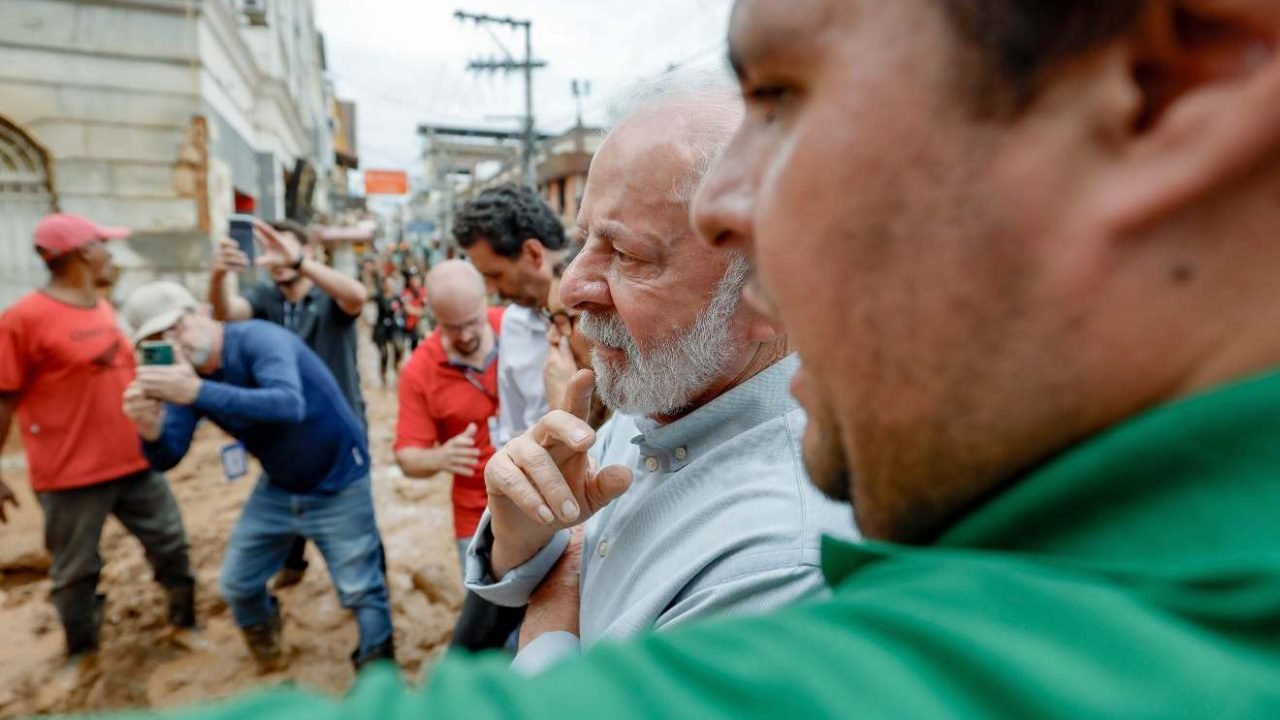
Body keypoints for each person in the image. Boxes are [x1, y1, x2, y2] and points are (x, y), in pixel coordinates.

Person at [94, 0, 1280, 716]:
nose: (738, 210)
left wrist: (548, 632)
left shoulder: (818, 556)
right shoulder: (647, 401)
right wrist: (522, 568)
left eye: (782, 92)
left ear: (1166, 87)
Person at [465, 73, 856, 673]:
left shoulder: (783, 565)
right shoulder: (669, 379)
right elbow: (546, 563)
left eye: (626, 256)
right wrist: (525, 535)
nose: (571, 288)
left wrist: (549, 614)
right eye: (585, 239)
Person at [120, 281, 394, 671]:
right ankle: (269, 649)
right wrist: (149, 429)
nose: (174, 343)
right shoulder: (189, 381)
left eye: (175, 328)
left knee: (361, 589)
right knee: (237, 583)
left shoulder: (259, 340)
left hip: (339, 479)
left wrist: (195, 391)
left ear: (200, 313)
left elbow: (287, 403)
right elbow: (168, 457)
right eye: (157, 340)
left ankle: (378, 673)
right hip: (280, 485)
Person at [0, 213, 195, 660]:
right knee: (74, 572)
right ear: (85, 253)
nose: (112, 255)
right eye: (105, 246)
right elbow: (3, 400)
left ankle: (184, 623)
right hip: (69, 474)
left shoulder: (105, 308)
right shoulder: (22, 320)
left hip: (134, 461)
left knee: (171, 543)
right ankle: (82, 653)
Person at [210, 218, 369, 588]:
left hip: (339, 431)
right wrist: (218, 276)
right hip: (285, 427)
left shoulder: (330, 297)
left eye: (282, 250)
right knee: (288, 493)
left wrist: (299, 263)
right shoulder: (265, 300)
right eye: (269, 252)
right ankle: (293, 563)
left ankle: (363, 589)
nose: (274, 259)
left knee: (351, 513)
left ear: (306, 253)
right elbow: (224, 314)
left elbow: (357, 296)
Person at [394, 260, 503, 567]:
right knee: (483, 610)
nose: (467, 335)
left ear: (486, 299)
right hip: (478, 515)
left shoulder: (518, 328)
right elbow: (407, 456)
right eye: (453, 327)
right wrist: (439, 458)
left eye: (473, 321)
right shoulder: (419, 371)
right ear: (433, 315)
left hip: (542, 498)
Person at [452, 184, 569, 445]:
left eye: (496, 275)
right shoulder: (514, 323)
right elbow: (512, 430)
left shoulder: (604, 315)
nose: (491, 290)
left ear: (533, 253)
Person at [372, 274, 405, 387]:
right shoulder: (379, 296)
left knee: (398, 348)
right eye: (387, 283)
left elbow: (403, 310)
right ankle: (383, 375)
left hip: (394, 327)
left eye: (391, 283)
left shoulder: (397, 298)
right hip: (382, 328)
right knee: (384, 353)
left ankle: (396, 371)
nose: (389, 286)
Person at [400, 269, 428, 354]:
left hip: (421, 326)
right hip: (409, 327)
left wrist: (422, 311)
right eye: (412, 278)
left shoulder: (424, 291)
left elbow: (428, 309)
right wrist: (421, 311)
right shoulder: (406, 293)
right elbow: (408, 309)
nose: (414, 281)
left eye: (416, 278)